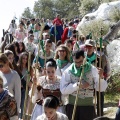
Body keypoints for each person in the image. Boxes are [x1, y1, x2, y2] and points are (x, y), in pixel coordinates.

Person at [60, 50, 107, 120]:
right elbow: (63, 90)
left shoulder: (92, 69)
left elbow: (101, 88)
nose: (78, 64)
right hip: (73, 107)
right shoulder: (68, 71)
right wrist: (77, 85)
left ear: (85, 58)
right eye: (76, 62)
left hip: (87, 107)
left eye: (80, 62)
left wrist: (101, 78)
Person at [85, 39, 111, 116]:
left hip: (97, 82)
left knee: (99, 101)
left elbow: (107, 70)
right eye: (87, 46)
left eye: (90, 47)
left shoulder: (100, 58)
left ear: (94, 48)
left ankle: (100, 116)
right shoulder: (82, 58)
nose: (88, 48)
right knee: (87, 103)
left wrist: (103, 77)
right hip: (86, 83)